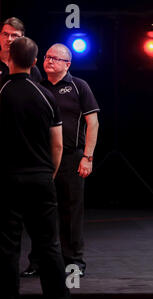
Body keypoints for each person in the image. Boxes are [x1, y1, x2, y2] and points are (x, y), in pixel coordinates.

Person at [21, 43, 100, 278]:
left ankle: (73, 262)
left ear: (67, 64)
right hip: (41, 159)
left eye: (56, 58)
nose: (49, 61)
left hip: (71, 158)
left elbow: (93, 123)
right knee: (39, 213)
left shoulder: (79, 87)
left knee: (71, 212)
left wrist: (88, 157)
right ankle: (38, 261)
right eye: (47, 57)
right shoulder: (38, 87)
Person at [0, 37, 70, 299]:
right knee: (49, 245)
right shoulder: (47, 96)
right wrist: (47, 175)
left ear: (9, 59)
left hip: (7, 179)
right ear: (35, 62)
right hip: (40, 179)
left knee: (7, 246)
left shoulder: (2, 91)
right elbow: (58, 145)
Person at [0, 17, 42, 85]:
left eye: (14, 35)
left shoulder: (30, 68)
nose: (9, 39)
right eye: (5, 34)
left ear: (22, 39)